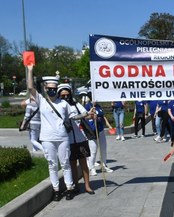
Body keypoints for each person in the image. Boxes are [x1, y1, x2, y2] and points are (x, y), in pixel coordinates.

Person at [23, 65, 74, 201]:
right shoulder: (42, 101)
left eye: (54, 88)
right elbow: (30, 88)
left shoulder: (63, 103)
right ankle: (56, 189)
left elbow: (74, 117)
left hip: (62, 137)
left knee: (65, 163)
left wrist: (88, 114)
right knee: (52, 164)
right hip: (46, 138)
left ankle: (69, 188)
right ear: (45, 88)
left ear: (57, 89)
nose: (51, 90)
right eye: (49, 88)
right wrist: (30, 70)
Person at [60, 84, 95, 195]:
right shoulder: (59, 106)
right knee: (72, 163)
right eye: (62, 95)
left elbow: (86, 115)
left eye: (67, 95)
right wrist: (85, 114)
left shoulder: (76, 105)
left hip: (80, 137)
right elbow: (71, 117)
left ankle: (87, 185)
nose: (65, 97)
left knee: (83, 162)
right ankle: (75, 185)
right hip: (68, 139)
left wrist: (91, 114)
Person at [85, 96, 114, 176]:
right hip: (92, 132)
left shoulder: (98, 106)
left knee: (103, 149)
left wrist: (109, 126)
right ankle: (92, 168)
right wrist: (91, 115)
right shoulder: (88, 106)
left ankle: (104, 165)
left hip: (100, 130)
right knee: (93, 151)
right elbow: (84, 117)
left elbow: (103, 117)